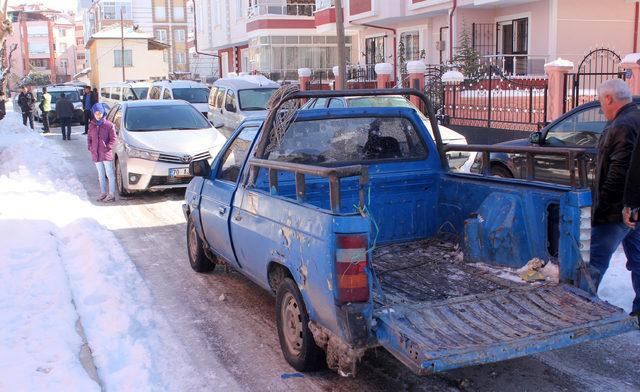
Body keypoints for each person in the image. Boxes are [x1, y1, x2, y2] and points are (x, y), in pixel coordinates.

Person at [589, 79, 640, 320]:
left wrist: (604, 208)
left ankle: (580, 311)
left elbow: (619, 172)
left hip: (617, 212)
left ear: (609, 98)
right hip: (634, 208)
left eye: (601, 102)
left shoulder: (622, 125)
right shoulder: (636, 118)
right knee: (639, 261)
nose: (602, 108)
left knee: (594, 263)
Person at [87, 102, 116, 202]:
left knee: (109, 174)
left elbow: (113, 139)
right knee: (100, 174)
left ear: (103, 113)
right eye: (96, 113)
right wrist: (90, 147)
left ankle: (111, 194)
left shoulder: (109, 125)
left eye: (99, 113)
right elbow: (89, 138)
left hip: (105, 153)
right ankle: (103, 193)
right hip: (96, 153)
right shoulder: (92, 125)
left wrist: (108, 147)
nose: (97, 115)